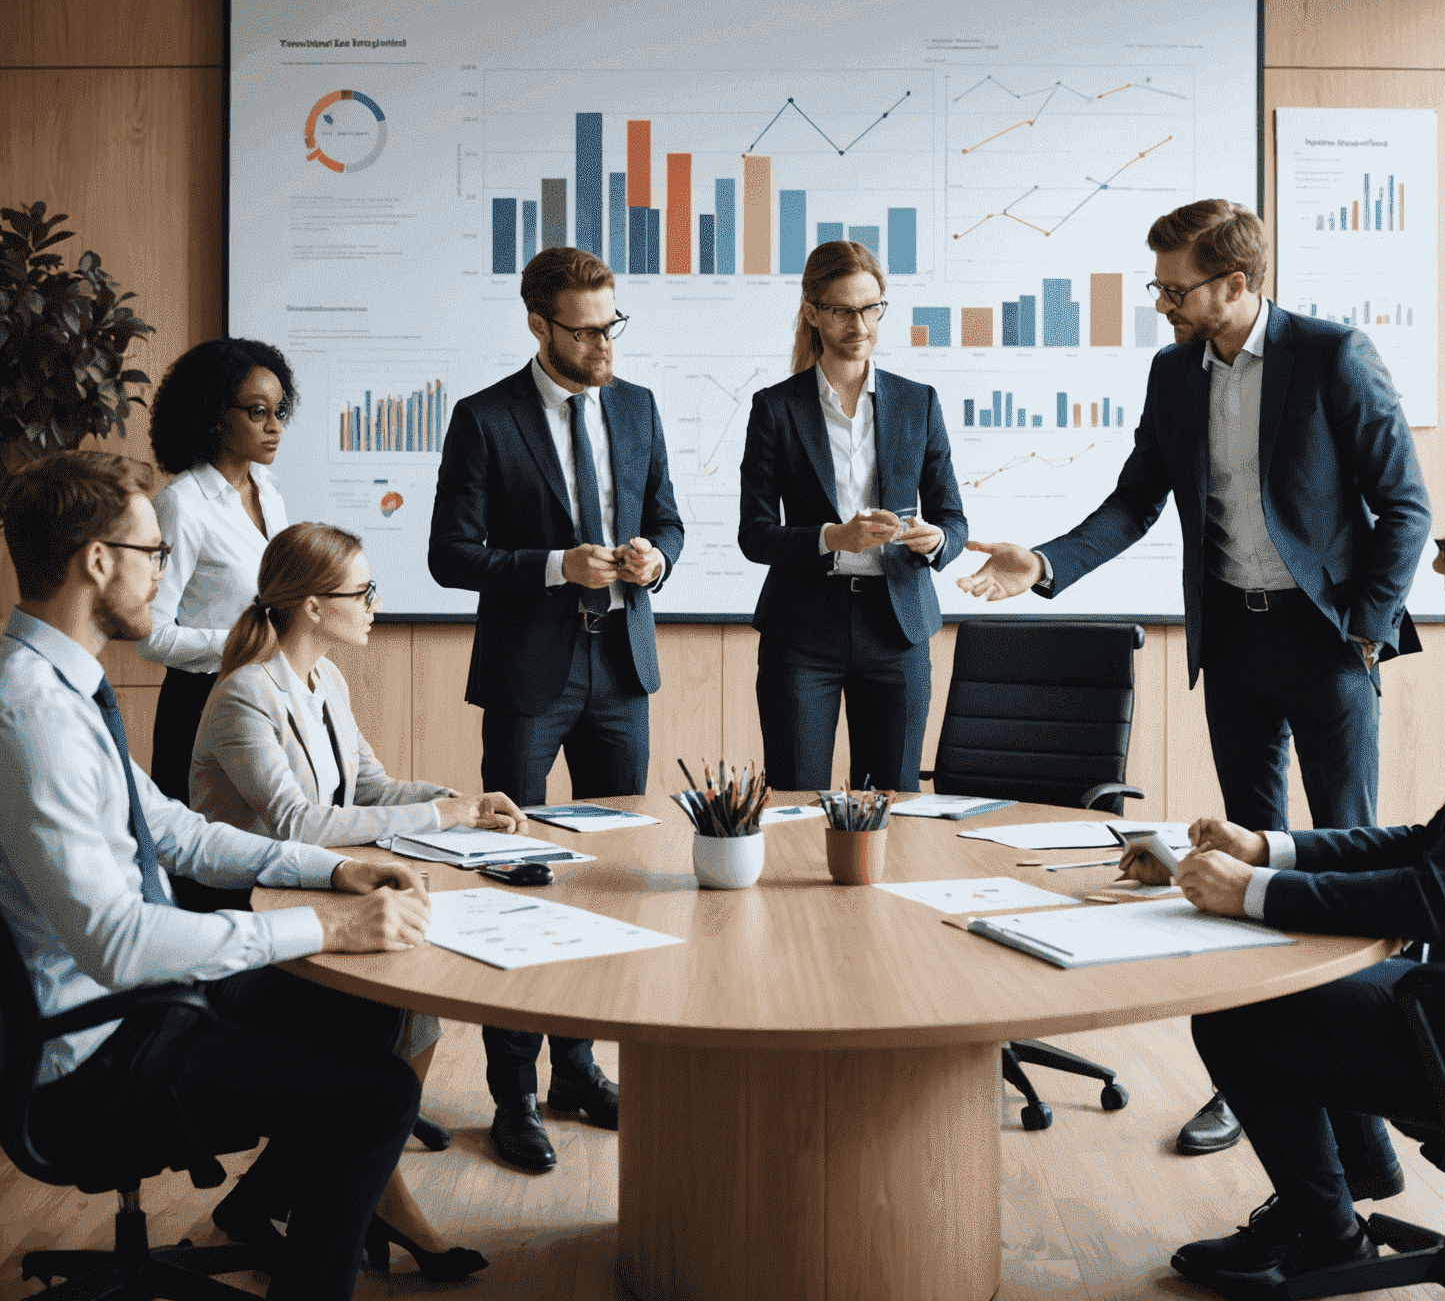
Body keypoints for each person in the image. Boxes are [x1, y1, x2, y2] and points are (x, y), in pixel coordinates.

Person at [956, 199, 1431, 1162]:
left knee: (1341, 853)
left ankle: (1371, 1094)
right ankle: (1253, 1081)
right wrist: (1044, 564)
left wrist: (1366, 632)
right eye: (1159, 288)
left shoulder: (1333, 357)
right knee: (1238, 869)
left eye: (1176, 290)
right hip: (1234, 643)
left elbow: (1407, 506)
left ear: (1238, 284)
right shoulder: (1174, 371)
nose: (1163, 306)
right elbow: (1136, 501)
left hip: (1327, 640)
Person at [0, 450, 432, 1301]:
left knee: (364, 1009)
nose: (165, 574)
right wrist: (325, 927)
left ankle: (262, 1217)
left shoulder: (62, 690)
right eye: (154, 554)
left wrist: (335, 870)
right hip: (94, 1055)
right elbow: (119, 942)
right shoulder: (33, 716)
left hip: (125, 1013)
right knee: (376, 1095)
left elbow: (181, 836)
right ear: (97, 559)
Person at [1122, 449, 1445, 1300]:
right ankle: (1333, 1211)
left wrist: (1251, 897)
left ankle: (1328, 1236)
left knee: (1234, 1009)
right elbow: (1437, 839)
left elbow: (1436, 894)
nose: (1438, 566)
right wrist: (1270, 849)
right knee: (1255, 980)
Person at [191, 520, 528, 1279]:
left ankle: (293, 1197)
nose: (375, 603)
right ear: (312, 605)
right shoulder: (245, 695)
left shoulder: (325, 681)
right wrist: (435, 818)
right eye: (363, 591)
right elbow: (298, 823)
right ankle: (385, 1200)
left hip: (314, 903)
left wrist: (460, 802)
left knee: (416, 1014)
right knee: (391, 1018)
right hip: (252, 922)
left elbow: (369, 789)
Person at [428, 245, 684, 1174]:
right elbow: (450, 555)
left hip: (622, 667)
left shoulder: (640, 408)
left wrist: (655, 555)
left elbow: (670, 518)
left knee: (610, 873)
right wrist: (551, 566)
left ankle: (579, 1068)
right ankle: (515, 1096)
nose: (605, 343)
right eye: (586, 329)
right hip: (531, 676)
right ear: (540, 325)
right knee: (518, 873)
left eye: (614, 323)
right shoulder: (484, 419)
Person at [738, 240, 968, 798]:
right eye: (843, 310)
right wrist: (831, 539)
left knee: (892, 802)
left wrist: (935, 540)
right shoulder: (776, 407)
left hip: (898, 629)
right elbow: (755, 534)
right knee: (795, 800)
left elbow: (953, 520)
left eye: (871, 308)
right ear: (814, 312)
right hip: (803, 633)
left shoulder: (919, 403)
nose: (859, 324)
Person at [137, 338, 296, 813]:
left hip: (265, 694)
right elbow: (151, 636)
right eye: (257, 412)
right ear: (213, 413)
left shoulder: (269, 493)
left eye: (279, 411)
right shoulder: (181, 505)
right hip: (198, 703)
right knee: (199, 865)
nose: (275, 427)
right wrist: (243, 640)